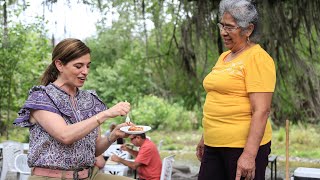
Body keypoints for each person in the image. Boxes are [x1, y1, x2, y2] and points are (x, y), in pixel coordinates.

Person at [13, 38, 134, 180]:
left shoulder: (90, 99)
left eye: (88, 66)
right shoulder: (41, 97)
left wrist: (113, 135)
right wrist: (105, 114)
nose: (85, 71)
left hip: (90, 175)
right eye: (78, 66)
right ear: (59, 64)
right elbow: (65, 136)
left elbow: (94, 150)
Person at [196, 0, 276, 180]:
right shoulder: (224, 57)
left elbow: (261, 110)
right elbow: (217, 97)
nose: (223, 32)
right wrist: (205, 138)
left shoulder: (258, 58)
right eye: (222, 25)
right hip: (213, 144)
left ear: (248, 30)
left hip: (240, 147)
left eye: (230, 27)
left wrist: (248, 155)